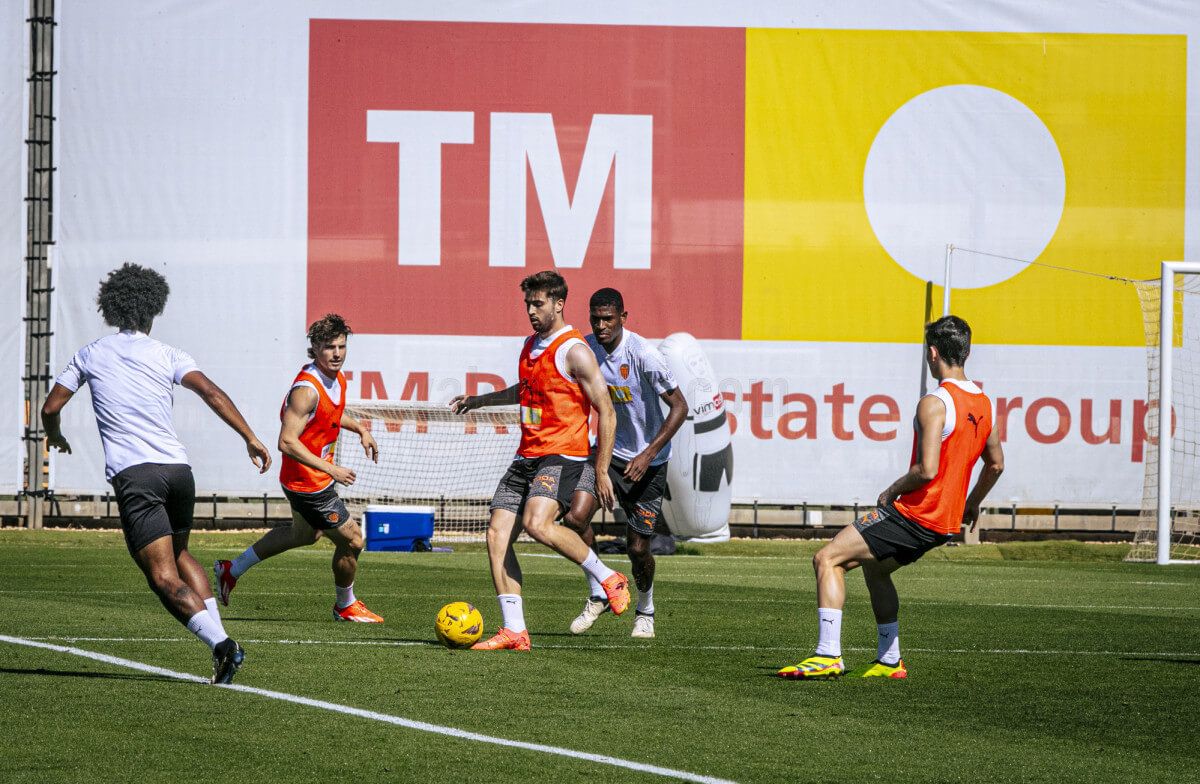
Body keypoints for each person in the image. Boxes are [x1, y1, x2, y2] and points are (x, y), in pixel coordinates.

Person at [42, 263, 271, 684]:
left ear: (111, 308)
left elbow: (50, 408)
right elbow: (211, 393)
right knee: (182, 556)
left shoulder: (91, 353)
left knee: (163, 577)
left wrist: (54, 436)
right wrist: (251, 437)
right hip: (178, 472)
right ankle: (221, 645)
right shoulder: (168, 353)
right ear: (152, 309)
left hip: (138, 477)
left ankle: (222, 645)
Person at [777, 315, 1004, 680]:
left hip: (916, 514)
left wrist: (891, 491)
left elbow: (926, 470)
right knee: (876, 569)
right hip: (943, 523)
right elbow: (995, 465)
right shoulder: (985, 403)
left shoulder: (935, 402)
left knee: (827, 559)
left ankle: (827, 655)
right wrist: (971, 503)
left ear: (932, 353)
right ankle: (889, 659)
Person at [450, 270, 629, 651]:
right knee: (497, 536)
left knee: (537, 523)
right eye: (528, 304)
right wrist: (478, 401)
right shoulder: (531, 344)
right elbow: (525, 390)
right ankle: (515, 630)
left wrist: (600, 470)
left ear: (559, 304)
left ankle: (608, 577)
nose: (531, 311)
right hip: (527, 455)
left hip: (562, 454)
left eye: (538, 304)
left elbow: (606, 409)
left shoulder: (574, 350)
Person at [214, 314, 383, 623]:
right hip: (309, 483)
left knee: (303, 535)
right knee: (354, 540)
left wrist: (360, 429)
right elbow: (287, 442)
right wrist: (331, 470)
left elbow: (330, 416)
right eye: (329, 347)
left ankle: (231, 570)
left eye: (341, 346)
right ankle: (345, 605)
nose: (336, 353)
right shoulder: (306, 390)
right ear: (315, 348)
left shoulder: (336, 378)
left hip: (309, 478)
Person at [559, 288, 687, 639]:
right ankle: (601, 588)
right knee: (575, 516)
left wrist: (647, 455)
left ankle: (645, 609)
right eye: (595, 318)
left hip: (650, 463)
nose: (600, 325)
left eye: (608, 319)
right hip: (607, 454)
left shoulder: (644, 354)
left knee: (637, 548)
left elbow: (680, 408)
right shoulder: (585, 349)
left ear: (623, 318)